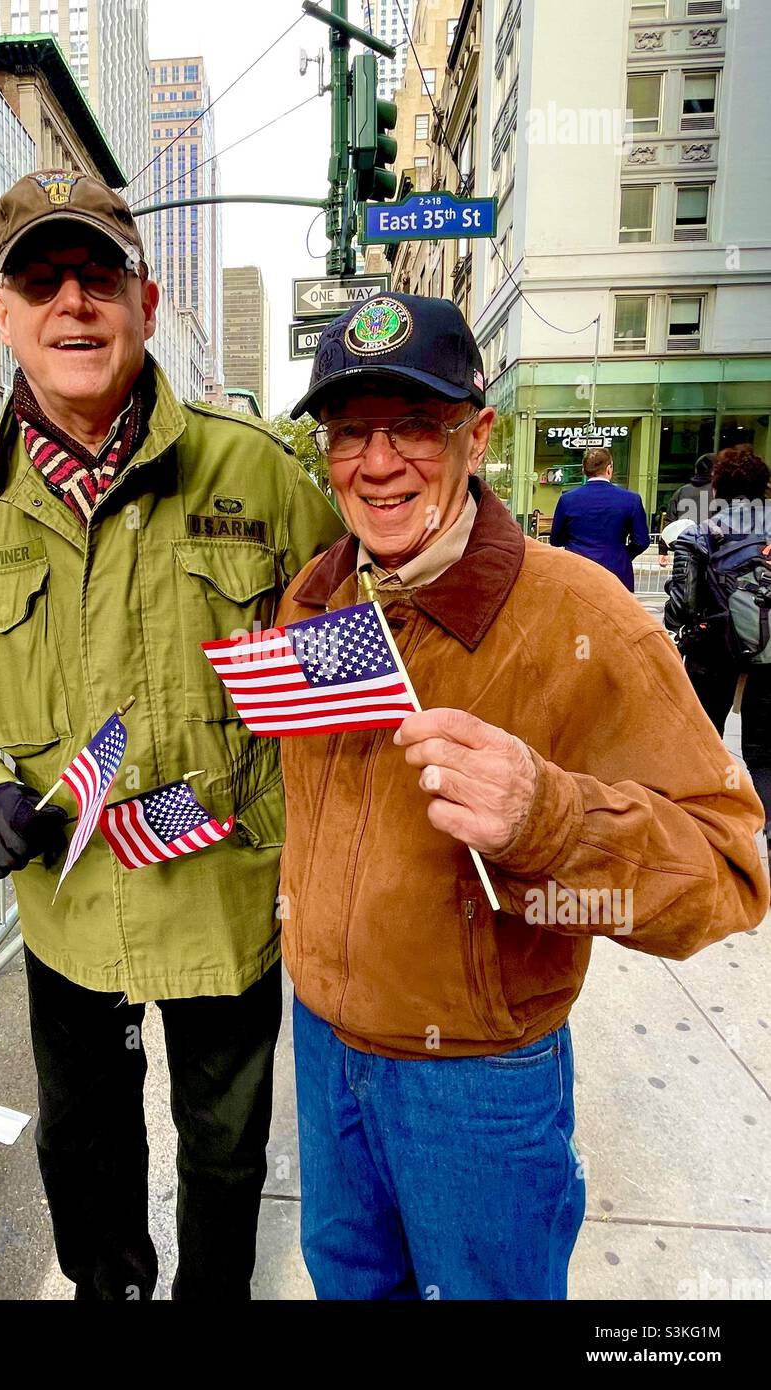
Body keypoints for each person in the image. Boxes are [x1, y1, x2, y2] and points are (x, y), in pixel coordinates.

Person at [0, 168, 343, 1302]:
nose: (72, 301)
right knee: (83, 1151)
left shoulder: (260, 476)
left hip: (227, 903)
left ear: (147, 297)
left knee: (225, 1156)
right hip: (69, 914)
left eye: (98, 276)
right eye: (42, 279)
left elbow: (350, 680)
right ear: (1, 310)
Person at [274, 293, 769, 1301]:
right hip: (325, 1053)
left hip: (477, 1081)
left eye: (413, 424)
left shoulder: (582, 616)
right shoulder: (314, 595)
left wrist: (552, 818)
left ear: (476, 434)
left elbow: (727, 869)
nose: (376, 463)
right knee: (349, 1284)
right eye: (349, 431)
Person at [663, 445, 771, 859]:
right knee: (764, 754)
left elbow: (680, 608)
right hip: (769, 658)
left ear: (719, 486)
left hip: (713, 654)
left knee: (701, 743)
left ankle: (703, 841)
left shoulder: (703, 533)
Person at [549, 445, 650, 590]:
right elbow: (641, 541)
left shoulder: (567, 499)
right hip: (616, 571)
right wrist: (622, 554)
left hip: (577, 571)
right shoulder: (631, 500)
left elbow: (555, 540)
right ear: (609, 469)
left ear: (584, 471)